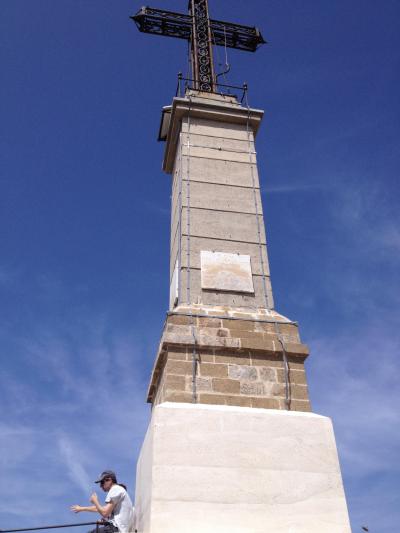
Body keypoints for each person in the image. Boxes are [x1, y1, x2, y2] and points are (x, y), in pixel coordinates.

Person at [71, 470, 135, 533]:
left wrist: (95, 500)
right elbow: (101, 509)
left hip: (114, 529)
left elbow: (104, 513)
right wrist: (82, 508)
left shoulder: (115, 489)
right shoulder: (119, 491)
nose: (100, 486)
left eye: (102, 482)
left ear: (109, 480)